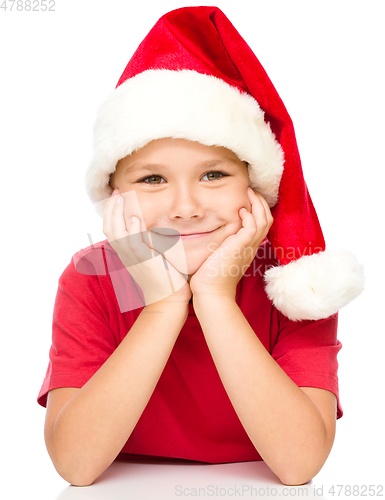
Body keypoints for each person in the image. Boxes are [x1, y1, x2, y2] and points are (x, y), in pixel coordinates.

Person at [37, 6, 364, 488]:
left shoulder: (294, 282)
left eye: (214, 174)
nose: (185, 207)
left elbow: (298, 466)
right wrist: (164, 304)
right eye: (152, 179)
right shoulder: (91, 278)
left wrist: (213, 297)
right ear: (113, 196)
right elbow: (75, 467)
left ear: (257, 186)